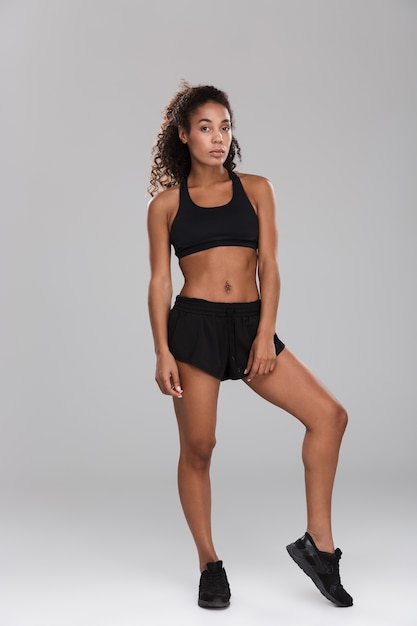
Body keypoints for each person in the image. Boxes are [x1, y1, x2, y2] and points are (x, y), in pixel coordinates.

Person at [146, 81, 353, 610]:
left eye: (226, 126)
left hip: (249, 324)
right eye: (206, 127)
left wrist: (265, 332)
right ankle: (209, 563)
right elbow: (160, 282)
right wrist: (162, 351)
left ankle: (319, 547)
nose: (218, 137)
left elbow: (270, 266)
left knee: (329, 417)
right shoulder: (166, 205)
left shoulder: (257, 188)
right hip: (193, 327)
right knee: (199, 448)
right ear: (184, 135)